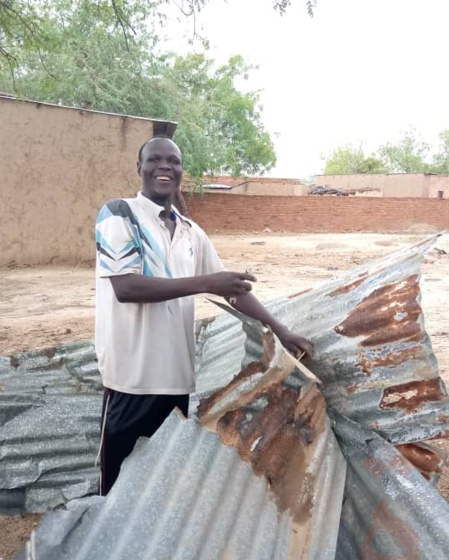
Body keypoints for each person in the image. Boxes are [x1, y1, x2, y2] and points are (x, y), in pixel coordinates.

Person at [94, 136, 314, 494]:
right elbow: (127, 288)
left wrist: (280, 331)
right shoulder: (120, 215)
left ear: (182, 172)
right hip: (130, 378)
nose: (165, 166)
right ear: (139, 168)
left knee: (163, 482)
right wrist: (205, 282)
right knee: (116, 485)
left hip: (176, 379)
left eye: (174, 161)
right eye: (155, 160)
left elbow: (231, 290)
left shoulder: (190, 231)